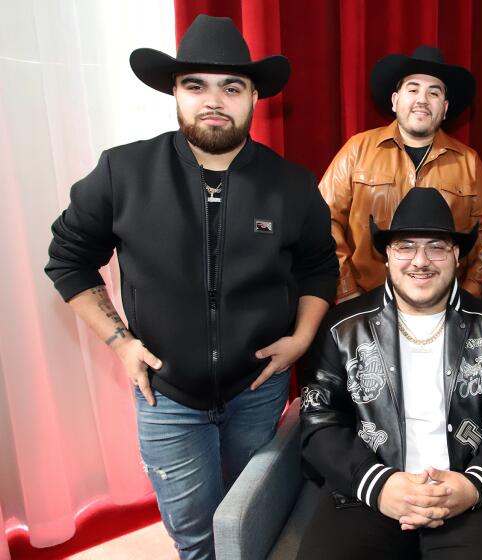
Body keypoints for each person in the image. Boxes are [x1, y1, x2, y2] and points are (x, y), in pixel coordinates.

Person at [44, 15, 337, 559]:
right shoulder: (122, 172)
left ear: (254, 98)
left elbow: (321, 267)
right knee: (197, 540)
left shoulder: (291, 184)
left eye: (231, 87)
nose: (214, 100)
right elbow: (68, 260)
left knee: (250, 523)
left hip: (257, 390)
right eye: (195, 85)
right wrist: (120, 342)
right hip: (167, 397)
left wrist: (300, 339)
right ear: (174, 93)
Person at [297, 188, 482, 560]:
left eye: (436, 247)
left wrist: (473, 485)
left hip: (467, 489)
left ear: (455, 255)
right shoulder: (343, 328)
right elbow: (319, 419)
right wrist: (379, 485)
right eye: (405, 246)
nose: (421, 261)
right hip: (367, 490)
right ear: (387, 254)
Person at [319, 45, 482, 302]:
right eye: (413, 89)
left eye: (433, 92)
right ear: (395, 100)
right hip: (362, 302)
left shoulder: (469, 162)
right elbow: (324, 222)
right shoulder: (356, 150)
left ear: (445, 108)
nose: (422, 100)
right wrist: (346, 291)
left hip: (443, 309)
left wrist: (469, 295)